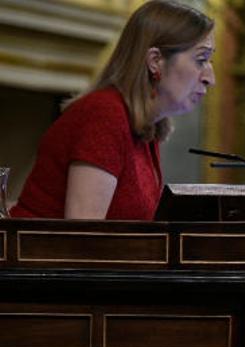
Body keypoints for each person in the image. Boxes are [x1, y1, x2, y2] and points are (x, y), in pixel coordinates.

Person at [10, 0, 215, 220]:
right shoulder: (104, 115)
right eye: (201, 60)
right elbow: (84, 235)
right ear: (155, 61)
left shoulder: (144, 125)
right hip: (41, 253)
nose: (210, 79)